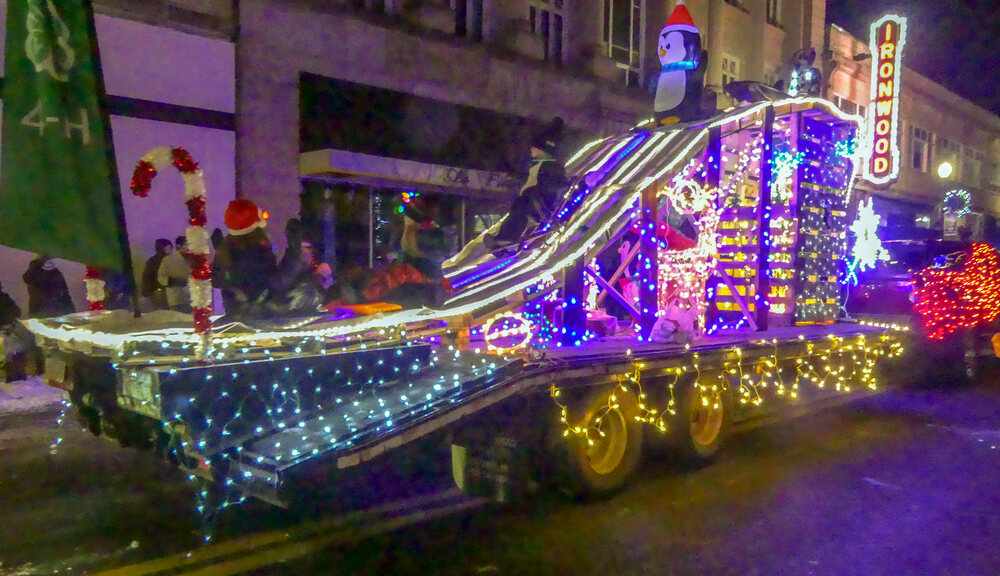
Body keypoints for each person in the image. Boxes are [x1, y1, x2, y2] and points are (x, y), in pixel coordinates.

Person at [484, 117, 567, 249]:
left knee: (522, 206)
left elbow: (558, 184)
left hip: (544, 204)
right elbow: (528, 177)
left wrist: (538, 189)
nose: (532, 152)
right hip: (535, 201)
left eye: (535, 150)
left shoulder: (552, 166)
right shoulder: (541, 165)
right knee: (518, 205)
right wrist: (511, 171)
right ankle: (504, 237)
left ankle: (508, 238)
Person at [213, 199, 280, 319]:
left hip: (235, 319)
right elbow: (274, 283)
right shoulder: (256, 252)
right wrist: (293, 255)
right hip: (261, 319)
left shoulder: (225, 250)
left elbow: (218, 279)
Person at [159, 235, 193, 312]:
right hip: (176, 298)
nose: (189, 247)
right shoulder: (168, 260)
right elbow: (161, 277)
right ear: (179, 246)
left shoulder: (192, 259)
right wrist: (172, 281)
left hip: (192, 297)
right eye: (186, 244)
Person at [141, 238, 172, 310]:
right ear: (162, 248)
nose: (171, 249)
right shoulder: (154, 261)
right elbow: (147, 277)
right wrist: (147, 291)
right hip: (159, 292)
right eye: (169, 247)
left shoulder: (170, 260)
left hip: (167, 291)